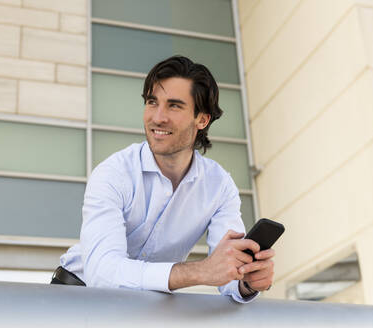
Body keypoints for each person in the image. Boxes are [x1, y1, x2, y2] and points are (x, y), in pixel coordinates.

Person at [52, 56, 275, 302]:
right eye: (152, 102)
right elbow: (103, 273)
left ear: (202, 119)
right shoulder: (113, 173)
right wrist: (200, 271)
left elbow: (229, 272)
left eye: (174, 106)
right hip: (77, 298)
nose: (158, 117)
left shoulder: (219, 186)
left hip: (147, 306)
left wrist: (246, 280)